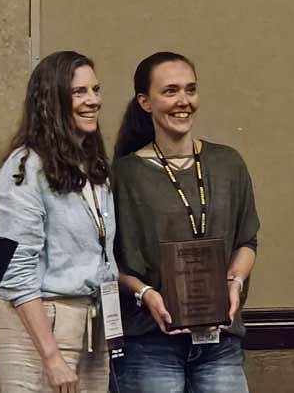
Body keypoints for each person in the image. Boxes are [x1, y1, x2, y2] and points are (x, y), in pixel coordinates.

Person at [111, 51, 259, 393]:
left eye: (190, 90)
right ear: (145, 102)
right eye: (171, 91)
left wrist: (234, 282)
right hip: (149, 343)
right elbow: (108, 259)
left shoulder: (228, 163)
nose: (183, 101)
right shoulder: (125, 174)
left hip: (220, 341)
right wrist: (146, 293)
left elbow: (247, 241)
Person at [0, 51, 118, 393]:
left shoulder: (92, 167)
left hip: (93, 324)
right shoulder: (26, 167)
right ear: (52, 100)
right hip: (41, 326)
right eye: (79, 92)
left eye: (95, 89)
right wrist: (51, 357)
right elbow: (15, 271)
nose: (93, 100)